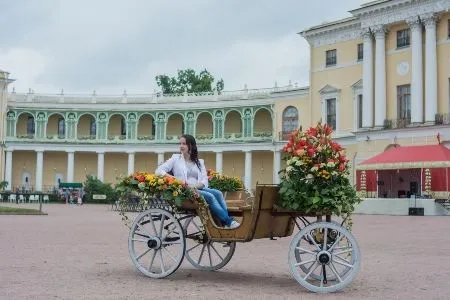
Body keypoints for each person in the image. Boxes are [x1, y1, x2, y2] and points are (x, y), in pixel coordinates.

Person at [156, 134, 240, 229]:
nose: (181, 146)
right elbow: (159, 171)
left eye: (184, 144)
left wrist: (195, 186)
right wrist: (174, 179)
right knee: (210, 196)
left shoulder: (199, 162)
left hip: (197, 188)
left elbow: (204, 181)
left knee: (219, 193)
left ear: (191, 146)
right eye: (180, 144)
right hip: (184, 190)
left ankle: (224, 223)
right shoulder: (175, 158)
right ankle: (229, 222)